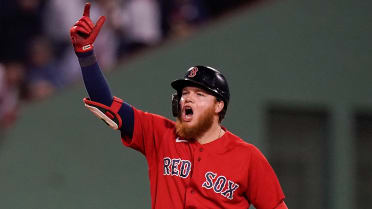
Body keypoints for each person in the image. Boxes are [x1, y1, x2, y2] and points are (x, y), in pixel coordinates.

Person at [70, 3, 288, 209]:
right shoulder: (160, 134)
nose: (188, 98)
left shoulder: (248, 157)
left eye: (199, 94)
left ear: (218, 106)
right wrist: (86, 52)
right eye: (185, 93)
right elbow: (104, 103)